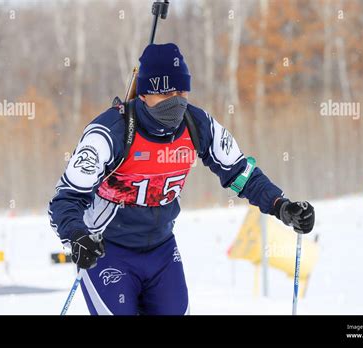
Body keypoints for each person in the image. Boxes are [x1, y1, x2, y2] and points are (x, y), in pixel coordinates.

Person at [49, 43, 315, 315]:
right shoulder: (110, 133)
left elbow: (240, 174)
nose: (175, 100)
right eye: (165, 92)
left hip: (161, 252)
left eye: (181, 90)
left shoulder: (197, 125)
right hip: (108, 251)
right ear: (144, 94)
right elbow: (65, 199)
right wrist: (77, 235)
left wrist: (281, 206)